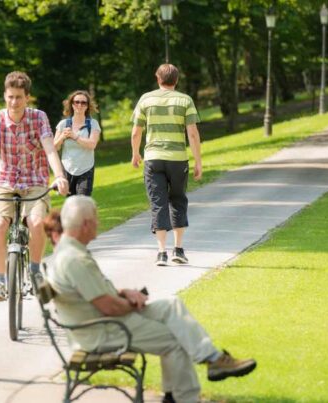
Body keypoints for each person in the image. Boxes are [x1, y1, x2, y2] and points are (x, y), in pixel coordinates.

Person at [48, 196, 256, 403]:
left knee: (171, 305)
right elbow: (109, 307)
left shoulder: (68, 251)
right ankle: (185, 397)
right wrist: (130, 303)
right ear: (86, 225)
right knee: (176, 339)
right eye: (96, 219)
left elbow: (95, 294)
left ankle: (211, 361)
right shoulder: (74, 260)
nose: (99, 223)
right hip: (103, 332)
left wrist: (125, 293)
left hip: (100, 323)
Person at [0, 71, 69, 301]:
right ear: (4, 95)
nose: (14, 102)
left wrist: (59, 176)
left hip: (34, 180)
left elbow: (50, 148)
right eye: (10, 97)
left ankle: (35, 270)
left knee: (36, 222)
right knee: (0, 224)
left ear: (27, 97)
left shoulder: (38, 118)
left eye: (19, 97)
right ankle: (0, 281)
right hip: (2, 180)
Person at [130, 64, 201, 267]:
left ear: (157, 78)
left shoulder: (146, 99)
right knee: (178, 200)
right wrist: (198, 161)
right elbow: (193, 133)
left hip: (153, 158)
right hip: (178, 158)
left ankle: (161, 253)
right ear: (176, 80)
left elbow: (136, 132)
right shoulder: (184, 100)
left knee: (158, 203)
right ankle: (178, 249)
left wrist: (135, 154)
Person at [53, 90, 101, 196]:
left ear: (87, 106)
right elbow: (54, 148)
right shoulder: (63, 124)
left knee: (82, 202)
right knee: (71, 204)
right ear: (72, 104)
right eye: (77, 102)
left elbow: (92, 145)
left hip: (86, 169)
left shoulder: (93, 124)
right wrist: (62, 137)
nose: (80, 105)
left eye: (83, 103)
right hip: (67, 169)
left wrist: (74, 136)